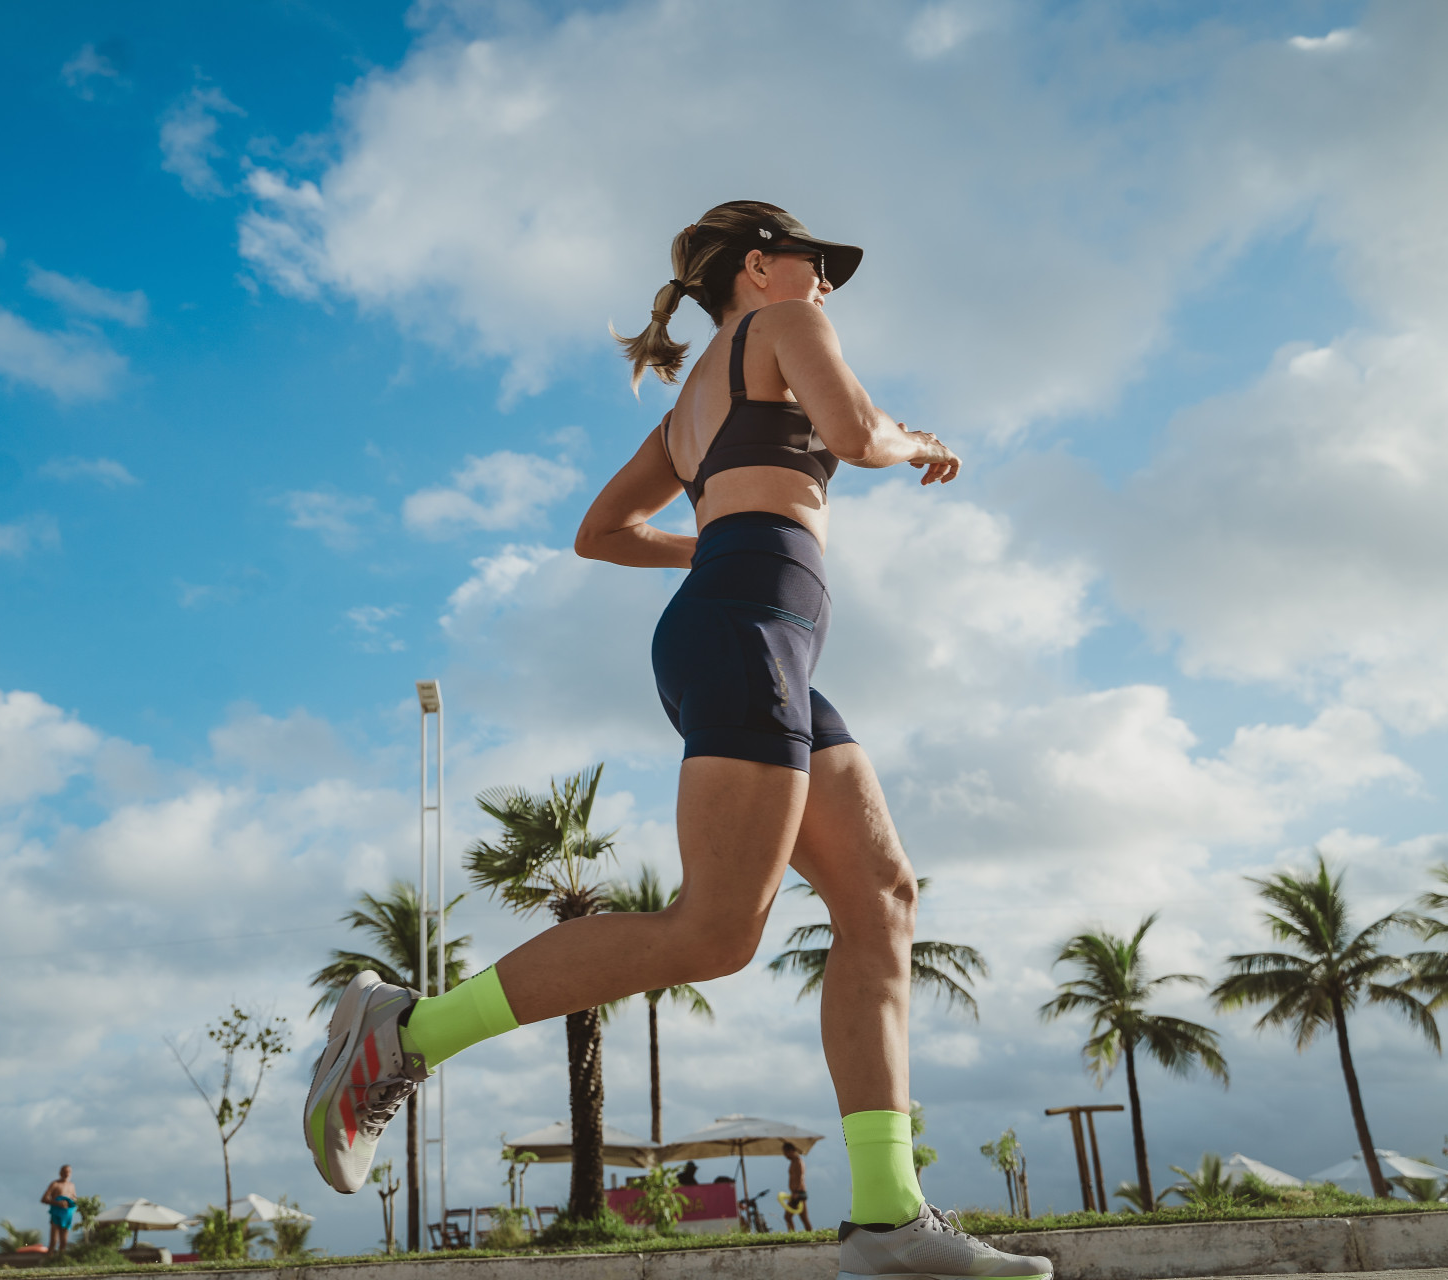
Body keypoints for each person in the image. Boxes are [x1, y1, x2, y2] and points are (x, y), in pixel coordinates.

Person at [303, 201, 1051, 1280]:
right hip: (749, 631)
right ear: (762, 265)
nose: (825, 285)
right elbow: (854, 435)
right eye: (812, 263)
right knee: (715, 930)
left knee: (881, 893)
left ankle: (889, 1217)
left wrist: (715, 539)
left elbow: (600, 534)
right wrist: (914, 441)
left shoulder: (697, 398)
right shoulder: (787, 327)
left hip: (752, 631)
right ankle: (407, 1031)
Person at [41, 1164, 76, 1257]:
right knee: (54, 1241)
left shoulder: (71, 1185)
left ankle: (61, 1261)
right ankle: (48, 1261)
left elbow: (74, 1198)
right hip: (56, 1214)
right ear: (60, 1173)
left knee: (64, 1242)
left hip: (67, 1214)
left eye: (69, 1172)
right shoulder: (55, 1184)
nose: (67, 1174)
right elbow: (44, 1199)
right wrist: (58, 1203)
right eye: (65, 1172)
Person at [782, 1142, 812, 1232]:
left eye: (786, 1153)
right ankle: (805, 1233)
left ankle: (794, 1235)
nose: (785, 1155)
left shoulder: (799, 1162)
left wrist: (796, 1192)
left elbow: (801, 1177)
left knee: (788, 1217)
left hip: (799, 1193)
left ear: (791, 1151)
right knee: (802, 1218)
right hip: (795, 1192)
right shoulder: (793, 1162)